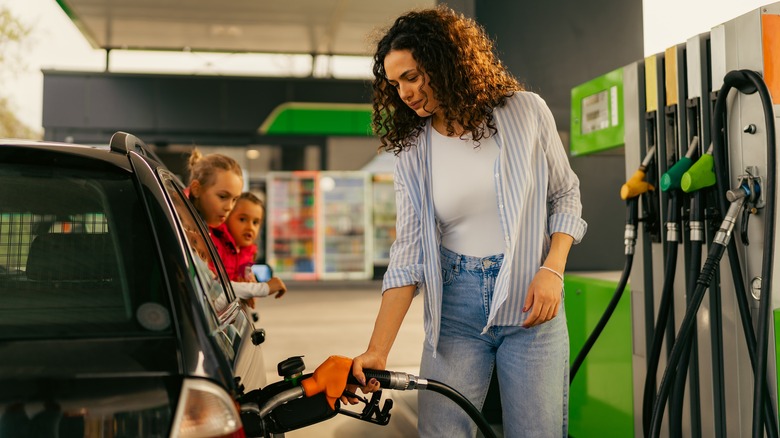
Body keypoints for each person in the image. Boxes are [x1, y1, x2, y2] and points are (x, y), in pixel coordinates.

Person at [346, 6, 587, 438]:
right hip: (455, 309)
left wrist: (553, 269)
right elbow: (409, 252)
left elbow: (564, 193)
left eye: (412, 77)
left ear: (446, 63)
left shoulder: (525, 112)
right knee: (442, 433)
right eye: (394, 82)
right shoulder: (413, 151)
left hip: (531, 303)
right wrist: (376, 350)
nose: (403, 92)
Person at [187, 149, 286, 300]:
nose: (229, 207)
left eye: (234, 199)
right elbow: (213, 292)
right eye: (223, 196)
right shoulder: (188, 231)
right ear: (196, 189)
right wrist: (262, 288)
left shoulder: (201, 229)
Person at [225, 191, 287, 299]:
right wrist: (261, 289)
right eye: (242, 219)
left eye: (255, 222)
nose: (250, 227)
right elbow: (217, 290)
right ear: (226, 217)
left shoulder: (246, 255)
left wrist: (250, 288)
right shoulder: (217, 248)